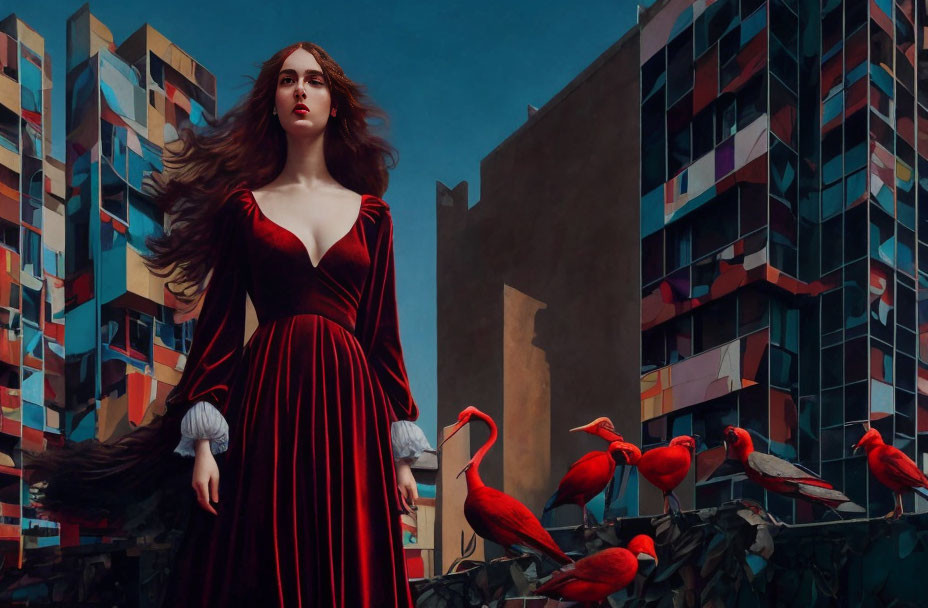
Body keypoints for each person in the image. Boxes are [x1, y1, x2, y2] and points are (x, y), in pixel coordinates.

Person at [26, 42, 430, 607]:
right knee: (264, 556)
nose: (300, 90)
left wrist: (402, 456)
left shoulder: (373, 215)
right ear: (272, 103)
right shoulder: (244, 208)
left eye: (314, 81)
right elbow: (217, 331)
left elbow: (383, 336)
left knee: (348, 557)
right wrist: (205, 448)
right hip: (270, 397)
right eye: (288, 80)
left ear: (333, 104)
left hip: (351, 405)